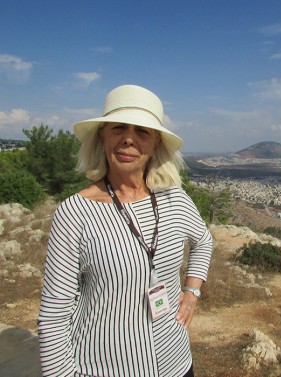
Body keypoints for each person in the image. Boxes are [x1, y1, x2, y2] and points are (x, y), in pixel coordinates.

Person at [38, 84, 213, 377]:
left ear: (156, 143)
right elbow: (54, 316)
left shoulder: (175, 199)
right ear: (102, 137)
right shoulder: (75, 213)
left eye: (142, 131)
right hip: (102, 367)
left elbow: (203, 241)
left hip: (177, 364)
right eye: (118, 128)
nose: (129, 139)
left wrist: (192, 292)